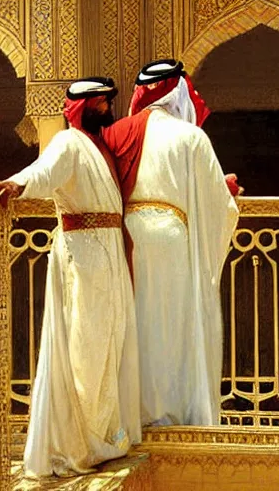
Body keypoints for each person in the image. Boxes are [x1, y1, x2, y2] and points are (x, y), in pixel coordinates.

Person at [0, 77, 141, 477]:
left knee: (108, 341)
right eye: (101, 104)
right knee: (86, 346)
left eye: (108, 103)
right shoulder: (69, 143)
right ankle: (81, 443)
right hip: (85, 252)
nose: (107, 109)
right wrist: (16, 184)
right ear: (83, 106)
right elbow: (44, 171)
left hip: (107, 250)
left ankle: (102, 434)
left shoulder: (97, 147)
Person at [102, 59, 240, 427]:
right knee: (172, 325)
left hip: (128, 235)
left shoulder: (118, 132)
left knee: (137, 323)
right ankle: (172, 414)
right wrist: (227, 190)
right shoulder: (190, 137)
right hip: (171, 235)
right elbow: (217, 203)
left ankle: (134, 413)